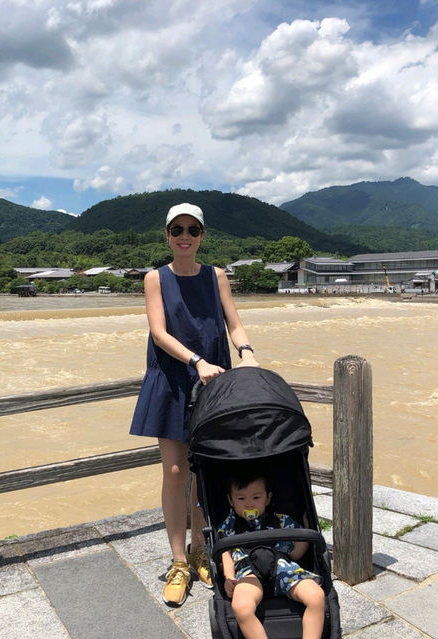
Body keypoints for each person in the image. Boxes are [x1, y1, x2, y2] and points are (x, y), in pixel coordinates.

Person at [129, 202, 259, 607]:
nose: (185, 236)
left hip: (213, 380)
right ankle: (179, 561)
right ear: (167, 235)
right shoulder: (155, 278)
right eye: (177, 229)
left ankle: (202, 549)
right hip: (174, 379)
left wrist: (247, 351)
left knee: (205, 471)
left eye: (193, 229)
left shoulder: (216, 275)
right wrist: (196, 360)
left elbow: (233, 322)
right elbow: (158, 332)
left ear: (202, 235)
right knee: (174, 471)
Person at [219, 472, 325, 639]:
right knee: (241, 607)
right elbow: (225, 553)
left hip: (282, 567)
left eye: (256, 497)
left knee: (316, 596)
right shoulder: (228, 526)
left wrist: (307, 527)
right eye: (241, 499)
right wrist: (229, 577)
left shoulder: (282, 521)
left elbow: (296, 553)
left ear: (267, 499)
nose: (248, 504)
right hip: (248, 572)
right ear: (231, 500)